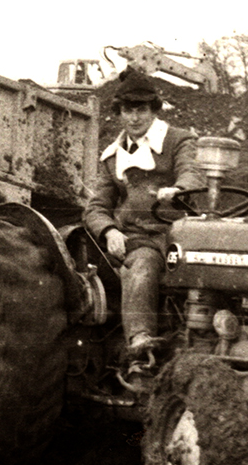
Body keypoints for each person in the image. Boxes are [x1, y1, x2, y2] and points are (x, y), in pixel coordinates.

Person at [83, 68, 202, 356]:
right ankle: (140, 345)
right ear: (119, 112)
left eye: (141, 110)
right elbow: (97, 207)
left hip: (180, 235)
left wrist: (178, 190)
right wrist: (109, 230)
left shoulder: (178, 140)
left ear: (153, 110)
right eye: (127, 110)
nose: (134, 117)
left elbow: (191, 173)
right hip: (140, 239)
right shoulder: (112, 157)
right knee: (143, 265)